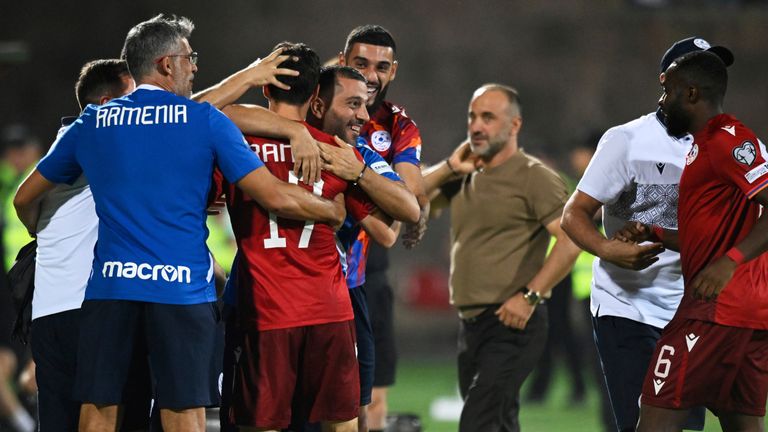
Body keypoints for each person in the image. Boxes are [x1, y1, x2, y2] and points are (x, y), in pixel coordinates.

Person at [13, 15, 345, 432]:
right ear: (167, 64)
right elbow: (274, 195)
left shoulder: (92, 124)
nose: (195, 66)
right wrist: (331, 210)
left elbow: (25, 196)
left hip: (111, 290)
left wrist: (34, 229)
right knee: (182, 410)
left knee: (99, 408)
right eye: (190, 58)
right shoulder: (203, 121)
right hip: (180, 292)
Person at [560, 36, 734, 432]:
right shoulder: (627, 141)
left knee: (686, 426)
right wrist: (608, 249)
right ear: (670, 82)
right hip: (627, 305)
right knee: (646, 424)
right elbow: (574, 215)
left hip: (692, 310)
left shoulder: (731, 146)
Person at [223, 42, 398, 432]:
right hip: (331, 310)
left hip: (267, 312)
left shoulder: (233, 143)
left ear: (266, 88)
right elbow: (389, 226)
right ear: (316, 96)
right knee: (342, 424)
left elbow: (203, 114)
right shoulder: (334, 150)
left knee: (263, 423)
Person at [618, 50, 768, 432]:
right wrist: (652, 232)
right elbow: (706, 237)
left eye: (666, 91)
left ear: (691, 94)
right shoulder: (703, 146)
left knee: (654, 418)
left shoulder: (727, 140)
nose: (660, 101)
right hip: (747, 317)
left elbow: (726, 250)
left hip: (714, 310)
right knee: (743, 426)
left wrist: (729, 261)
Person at [422, 83, 581, 431]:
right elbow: (410, 198)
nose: (477, 126)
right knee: (499, 422)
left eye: (488, 117)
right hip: (471, 323)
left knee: (478, 422)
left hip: (513, 324)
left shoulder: (535, 177)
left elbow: (571, 241)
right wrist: (448, 167)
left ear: (514, 126)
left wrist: (530, 296)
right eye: (473, 116)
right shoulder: (462, 173)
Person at [309, 65, 420, 432]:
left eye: (365, 102)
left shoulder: (357, 155)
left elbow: (401, 216)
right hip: (277, 298)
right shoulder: (278, 140)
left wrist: (357, 177)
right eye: (353, 102)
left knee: (352, 410)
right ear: (318, 102)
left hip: (345, 295)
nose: (363, 112)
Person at [338, 25, 428, 430]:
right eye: (360, 64)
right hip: (295, 273)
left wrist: (354, 171)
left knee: (364, 398)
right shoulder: (311, 109)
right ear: (343, 63)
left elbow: (407, 203)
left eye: (381, 67)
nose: (372, 75)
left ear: (394, 71)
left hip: (358, 276)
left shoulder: (398, 125)